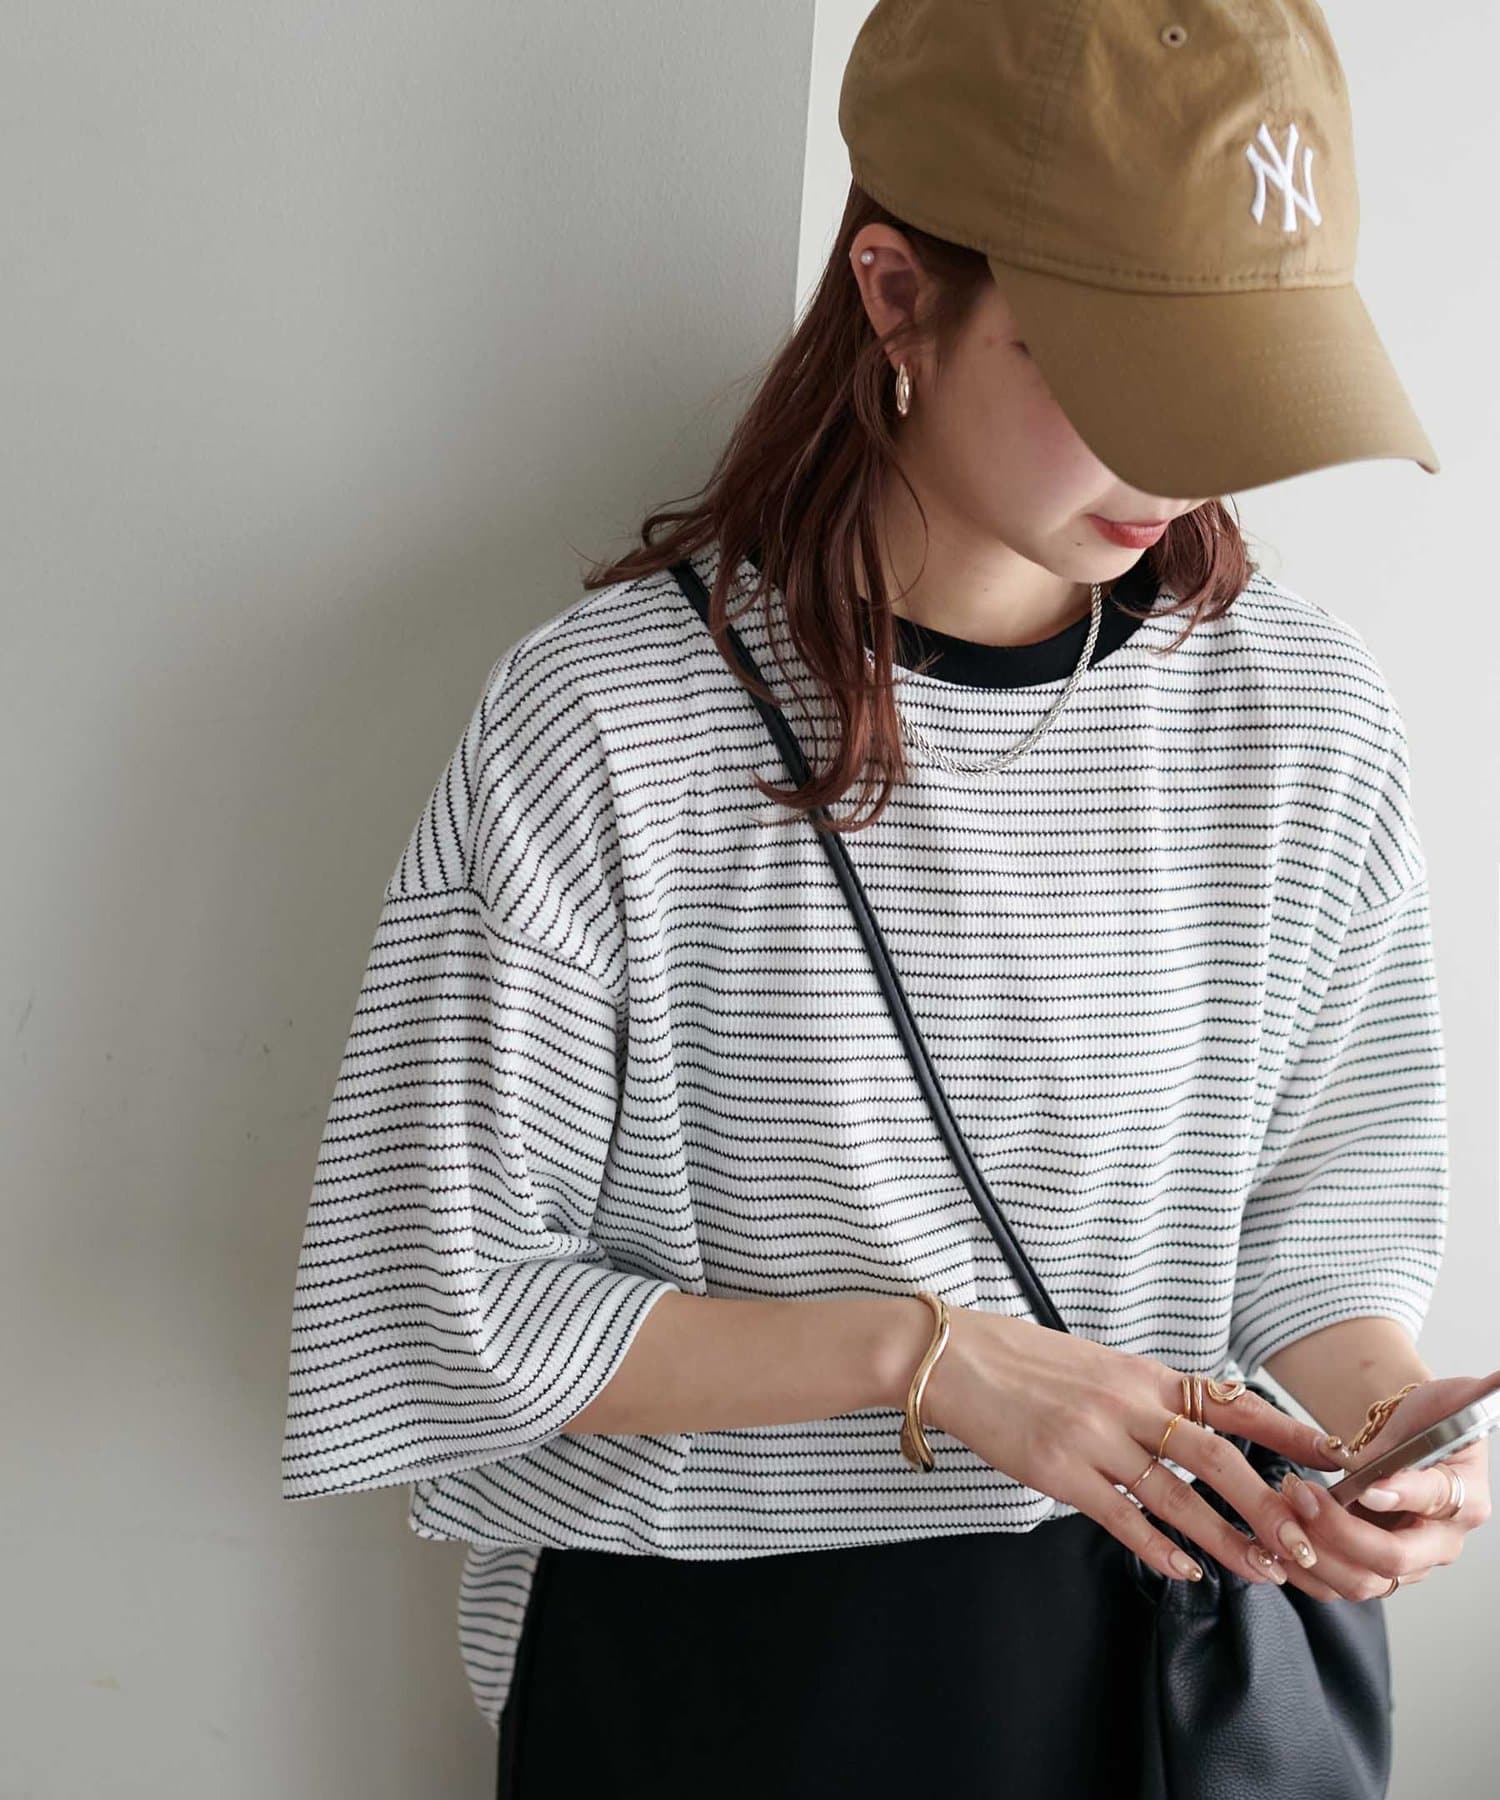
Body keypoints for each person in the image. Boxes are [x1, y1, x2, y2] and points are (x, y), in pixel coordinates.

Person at [279, 4, 1495, 1794]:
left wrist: (1386, 1423)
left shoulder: (1300, 714)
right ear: (899, 295)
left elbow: (1319, 1229)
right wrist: (931, 1361)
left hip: (1197, 1674)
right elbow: (436, 1304)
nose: (1177, 465)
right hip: (744, 1684)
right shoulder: (613, 722)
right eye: (1123, 377)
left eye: (1233, 382)